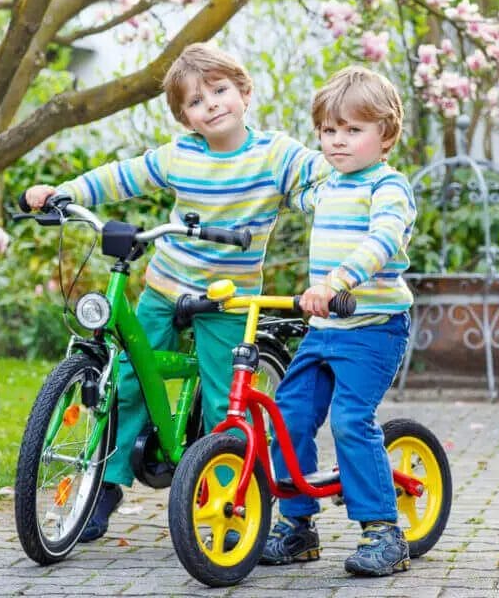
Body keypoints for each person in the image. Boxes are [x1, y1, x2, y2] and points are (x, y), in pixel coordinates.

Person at [23, 43, 327, 542]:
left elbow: (319, 179)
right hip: (166, 286)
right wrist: (68, 192)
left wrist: (337, 194)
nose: (211, 104)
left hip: (227, 298)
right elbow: (122, 176)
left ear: (245, 92)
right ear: (185, 117)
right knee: (128, 380)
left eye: (220, 91)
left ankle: (229, 501)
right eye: (195, 101)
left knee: (220, 399)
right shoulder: (180, 155)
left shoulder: (274, 155)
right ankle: (108, 482)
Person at [262, 66, 417, 577]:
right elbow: (281, 195)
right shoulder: (327, 186)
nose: (338, 141)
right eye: (330, 131)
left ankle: (385, 532)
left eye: (354, 130)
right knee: (288, 417)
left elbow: (384, 240)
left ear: (386, 135)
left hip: (374, 327)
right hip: (325, 330)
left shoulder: (389, 187)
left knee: (352, 419)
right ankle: (297, 526)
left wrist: (336, 282)